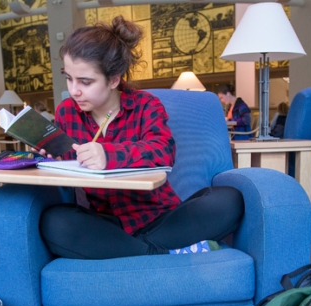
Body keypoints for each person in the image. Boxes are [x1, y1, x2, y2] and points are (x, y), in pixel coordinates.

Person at [38, 16, 244, 260]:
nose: (74, 91)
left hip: (161, 218)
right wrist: (50, 159)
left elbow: (162, 152)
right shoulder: (66, 112)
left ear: (114, 79)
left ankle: (130, 250)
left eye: (85, 82)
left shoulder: (146, 105)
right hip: (107, 223)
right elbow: (70, 167)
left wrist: (108, 155)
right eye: (69, 78)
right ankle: (161, 252)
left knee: (228, 199)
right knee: (54, 221)